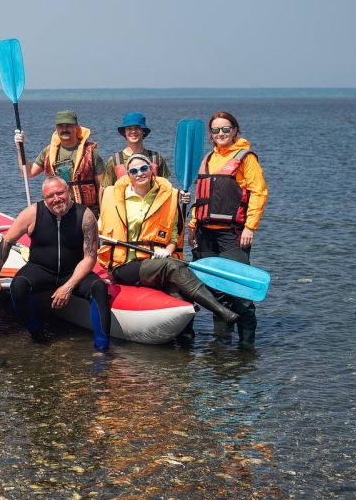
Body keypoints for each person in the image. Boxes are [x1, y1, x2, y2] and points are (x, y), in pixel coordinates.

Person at [99, 154, 238, 329]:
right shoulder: (114, 198)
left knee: (180, 293)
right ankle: (221, 311)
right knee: (171, 266)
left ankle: (186, 339)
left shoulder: (167, 198)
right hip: (124, 265)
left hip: (154, 261)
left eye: (144, 168)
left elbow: (173, 237)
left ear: (151, 171)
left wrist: (168, 250)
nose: (140, 173)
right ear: (128, 175)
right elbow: (99, 227)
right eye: (134, 171)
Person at [0, 177, 111, 349]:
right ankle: (37, 334)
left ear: (68, 191)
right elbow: (7, 241)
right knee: (18, 286)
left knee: (99, 287)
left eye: (60, 193)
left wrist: (68, 287)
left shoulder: (85, 215)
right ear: (44, 198)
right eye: (50, 196)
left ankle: (102, 350)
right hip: (40, 268)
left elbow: (90, 257)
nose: (56, 199)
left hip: (73, 271)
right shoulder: (33, 213)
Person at [190, 110, 268, 349]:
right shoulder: (208, 158)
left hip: (232, 234)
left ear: (235, 130)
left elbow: (259, 192)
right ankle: (221, 343)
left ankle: (246, 346)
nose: (221, 134)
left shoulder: (246, 158)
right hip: (205, 234)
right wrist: (193, 226)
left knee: (240, 292)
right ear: (211, 134)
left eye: (226, 129)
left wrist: (250, 227)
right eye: (216, 130)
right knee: (216, 293)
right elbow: (201, 197)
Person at [16, 110, 106, 215]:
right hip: (58, 213)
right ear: (56, 129)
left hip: (87, 213)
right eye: (60, 126)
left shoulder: (91, 153)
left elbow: (102, 187)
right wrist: (19, 148)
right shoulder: (48, 152)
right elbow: (28, 172)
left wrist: (103, 217)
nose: (64, 129)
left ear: (76, 127)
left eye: (68, 126)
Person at [102, 112, 172, 186]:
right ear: (124, 132)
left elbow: (166, 187)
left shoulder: (156, 158)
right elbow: (106, 189)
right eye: (129, 128)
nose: (133, 131)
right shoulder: (114, 160)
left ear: (143, 131)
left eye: (137, 128)